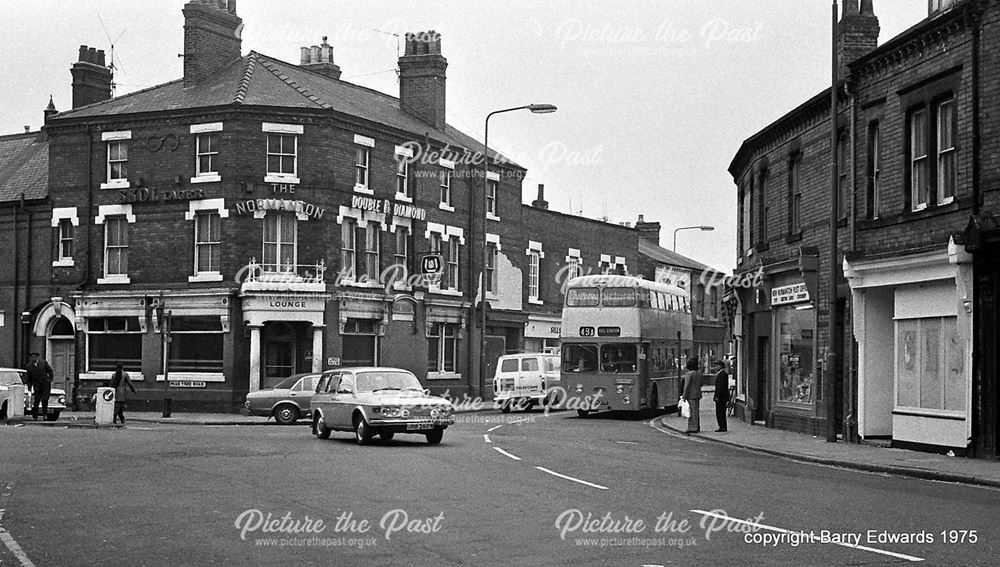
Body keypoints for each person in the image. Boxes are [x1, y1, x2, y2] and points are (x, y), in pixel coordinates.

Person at [25, 352, 54, 421]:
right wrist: (29, 387)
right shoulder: (29, 367)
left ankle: (45, 414)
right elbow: (29, 378)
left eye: (35, 357)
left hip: (45, 385)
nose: (33, 358)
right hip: (37, 385)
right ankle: (35, 415)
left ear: (37, 357)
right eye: (32, 357)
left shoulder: (43, 363)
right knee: (36, 401)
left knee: (45, 399)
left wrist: (49, 380)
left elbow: (50, 371)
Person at [681, 357, 703, 434]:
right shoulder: (699, 373)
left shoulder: (689, 374)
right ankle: (697, 426)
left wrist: (684, 396)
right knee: (696, 412)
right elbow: (701, 384)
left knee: (691, 412)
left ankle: (692, 428)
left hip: (691, 395)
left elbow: (686, 386)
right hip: (698, 395)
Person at [712, 360, 730, 432]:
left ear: (721, 366)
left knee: (720, 412)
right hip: (722, 396)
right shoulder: (722, 374)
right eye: (715, 366)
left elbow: (720, 387)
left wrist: (716, 396)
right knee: (721, 412)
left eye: (717, 366)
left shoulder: (722, 374)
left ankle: (722, 426)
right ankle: (722, 426)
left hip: (721, 397)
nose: (716, 367)